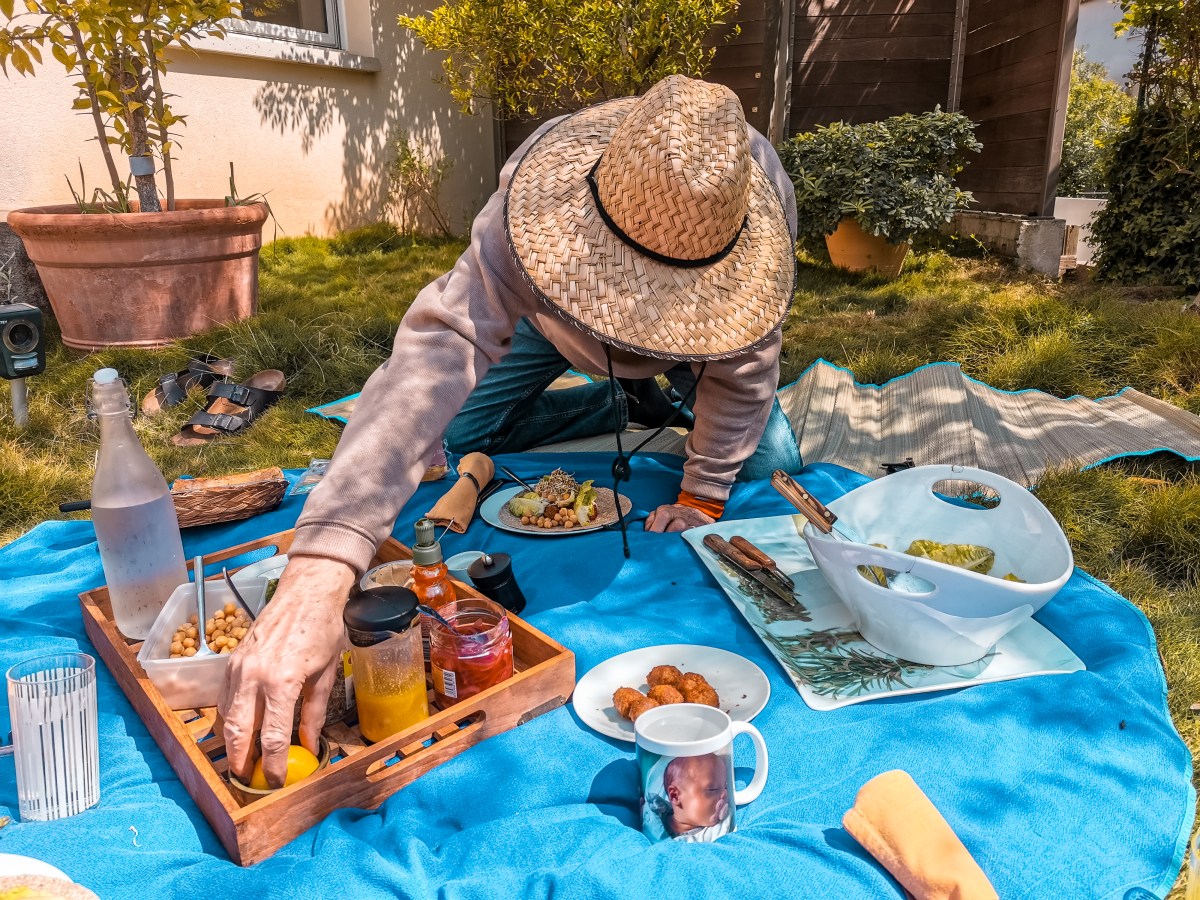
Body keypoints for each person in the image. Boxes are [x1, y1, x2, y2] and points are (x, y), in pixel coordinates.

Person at [219, 74, 801, 787]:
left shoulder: (756, 210)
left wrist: (705, 494)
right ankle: (617, 404)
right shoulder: (534, 200)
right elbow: (437, 352)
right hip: (561, 325)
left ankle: (671, 399)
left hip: (696, 352)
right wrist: (320, 568)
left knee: (767, 458)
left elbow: (746, 373)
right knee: (461, 427)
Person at [655, 753, 732, 842]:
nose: (724, 794)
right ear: (675, 796)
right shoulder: (654, 813)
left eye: (725, 787)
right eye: (712, 789)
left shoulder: (711, 835)